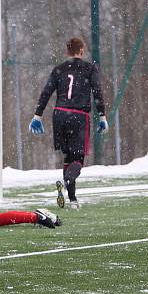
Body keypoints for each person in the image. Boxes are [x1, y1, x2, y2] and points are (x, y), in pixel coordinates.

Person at [29, 37, 107, 209]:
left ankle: (72, 200)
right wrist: (102, 116)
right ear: (81, 51)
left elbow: (46, 92)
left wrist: (37, 115)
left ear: (67, 52)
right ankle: (66, 183)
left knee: (67, 158)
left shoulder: (59, 69)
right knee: (77, 159)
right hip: (78, 116)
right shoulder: (89, 68)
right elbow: (97, 91)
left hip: (59, 115)